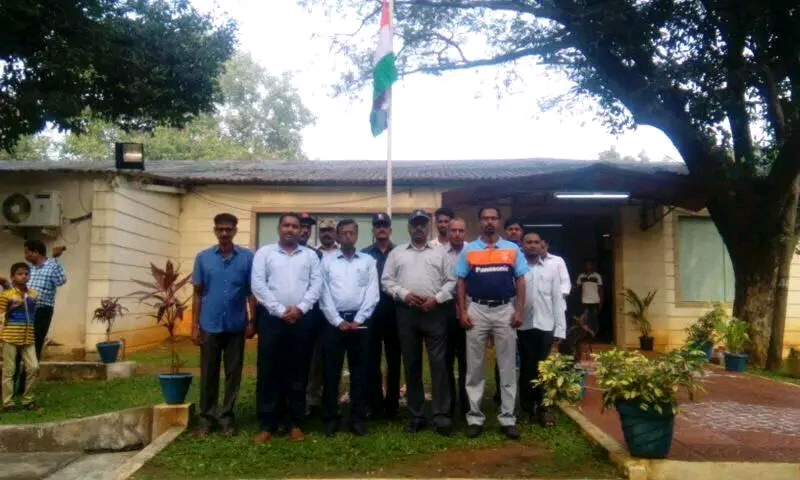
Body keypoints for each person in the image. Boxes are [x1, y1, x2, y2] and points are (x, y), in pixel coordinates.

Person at [382, 209, 456, 436]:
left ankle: (441, 415)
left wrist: (437, 299)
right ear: (409, 227)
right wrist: (404, 294)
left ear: (429, 227)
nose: (419, 228)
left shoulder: (440, 253)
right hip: (407, 312)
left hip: (435, 312)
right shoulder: (396, 254)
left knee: (439, 364)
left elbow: (452, 281)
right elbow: (386, 281)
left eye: (423, 224)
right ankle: (416, 415)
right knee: (411, 364)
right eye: (415, 224)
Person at [456, 206, 527, 440]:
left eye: (493, 218)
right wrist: (463, 311)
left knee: (507, 366)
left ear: (499, 222)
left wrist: (518, 310)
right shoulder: (469, 250)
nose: (489, 222)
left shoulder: (512, 249)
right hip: (477, 309)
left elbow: (520, 280)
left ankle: (508, 418)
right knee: (475, 366)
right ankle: (475, 418)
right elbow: (461, 282)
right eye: (485, 218)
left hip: (505, 309)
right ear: (479, 222)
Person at [251, 213, 322, 444]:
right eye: (286, 225)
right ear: (279, 228)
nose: (290, 230)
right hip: (272, 320)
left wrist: (300, 309)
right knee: (269, 370)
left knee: (298, 372)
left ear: (301, 230)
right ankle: (268, 424)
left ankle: (294, 423)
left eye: (295, 226)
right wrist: (280, 310)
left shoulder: (310, 256)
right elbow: (258, 285)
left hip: (302, 320)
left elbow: (316, 285)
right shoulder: (265, 253)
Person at [190, 213, 255, 437]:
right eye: (221, 229)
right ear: (215, 231)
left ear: (235, 231)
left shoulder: (247, 258)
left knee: (233, 374)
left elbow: (251, 293)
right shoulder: (203, 258)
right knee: (208, 373)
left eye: (229, 229)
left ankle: (227, 418)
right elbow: (197, 293)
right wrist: (194, 325)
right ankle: (207, 418)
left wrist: (252, 320)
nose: (225, 233)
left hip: (236, 325)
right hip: (209, 324)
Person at [319, 219, 380, 437]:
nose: (347, 236)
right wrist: (337, 320)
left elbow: (373, 292)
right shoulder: (327, 261)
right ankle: (330, 418)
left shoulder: (368, 261)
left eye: (351, 233)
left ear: (357, 235)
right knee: (331, 372)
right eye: (343, 233)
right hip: (334, 323)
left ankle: (358, 418)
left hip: (360, 323)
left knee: (360, 372)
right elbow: (323, 293)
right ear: (337, 236)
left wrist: (359, 319)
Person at [517, 232, 566, 426]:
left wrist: (560, 330)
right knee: (526, 370)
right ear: (522, 245)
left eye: (536, 242)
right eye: (528, 242)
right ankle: (527, 410)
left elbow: (557, 299)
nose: (532, 245)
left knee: (544, 370)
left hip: (546, 326)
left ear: (541, 245)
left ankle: (545, 410)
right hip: (523, 327)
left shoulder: (552, 269)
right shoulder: (517, 269)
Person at [13, 240, 66, 396]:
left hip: (42, 311)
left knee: (33, 348)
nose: (25, 255)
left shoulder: (51, 266)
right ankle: (10, 385)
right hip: (24, 311)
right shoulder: (28, 270)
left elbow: (61, 280)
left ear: (35, 252)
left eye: (27, 252)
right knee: (16, 345)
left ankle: (24, 387)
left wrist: (56, 258)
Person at [362, 212, 401, 419]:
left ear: (390, 229)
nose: (381, 228)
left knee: (394, 361)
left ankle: (393, 404)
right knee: (372, 360)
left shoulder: (400, 253)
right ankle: (374, 403)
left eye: (384, 224)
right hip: (372, 315)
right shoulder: (365, 254)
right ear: (373, 230)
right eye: (377, 225)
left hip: (395, 314)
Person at [0, 263, 40, 412]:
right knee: (9, 370)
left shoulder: (33, 294)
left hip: (28, 337)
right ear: (13, 277)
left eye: (26, 274)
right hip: (10, 336)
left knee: (34, 368)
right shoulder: (7, 295)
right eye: (20, 274)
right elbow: (1, 316)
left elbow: (33, 314)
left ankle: (28, 400)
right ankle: (8, 403)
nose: (24, 276)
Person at [444, 218, 469, 418]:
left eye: (461, 230)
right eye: (453, 230)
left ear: (465, 232)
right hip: (444, 314)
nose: (457, 234)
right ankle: (449, 403)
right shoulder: (439, 254)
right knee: (446, 361)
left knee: (467, 361)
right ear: (448, 232)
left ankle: (467, 404)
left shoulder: (473, 252)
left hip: (469, 313)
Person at [576, 259, 604, 337]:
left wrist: (601, 302)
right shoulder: (581, 276)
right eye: (586, 264)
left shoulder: (597, 276)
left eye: (590, 264)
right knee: (584, 321)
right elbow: (578, 290)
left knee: (594, 321)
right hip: (584, 301)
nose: (588, 266)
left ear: (593, 265)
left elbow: (601, 290)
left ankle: (594, 336)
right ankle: (586, 337)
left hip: (595, 301)